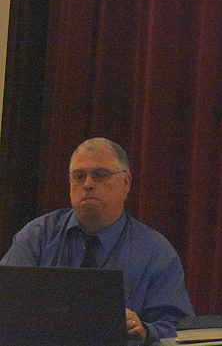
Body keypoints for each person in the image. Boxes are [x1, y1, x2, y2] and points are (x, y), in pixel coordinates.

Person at [1, 137, 194, 344]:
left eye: (100, 175)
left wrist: (146, 330)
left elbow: (181, 330)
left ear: (126, 183)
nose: (88, 185)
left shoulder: (156, 253)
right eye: (79, 176)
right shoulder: (37, 237)